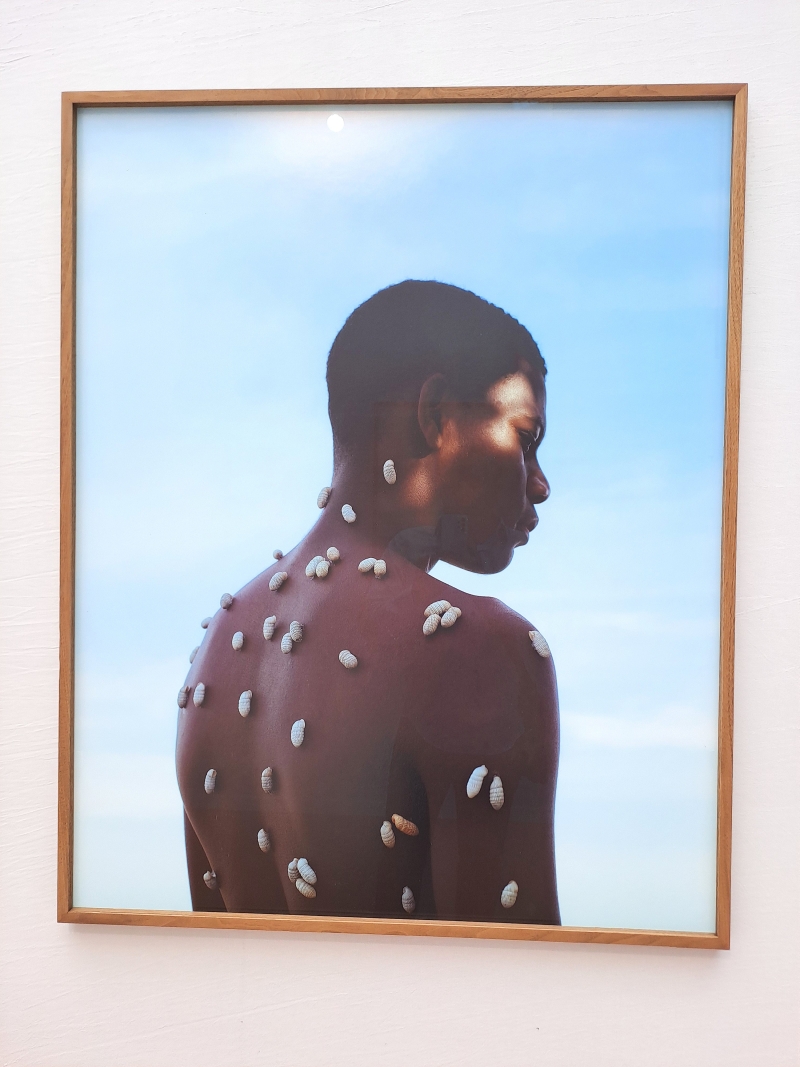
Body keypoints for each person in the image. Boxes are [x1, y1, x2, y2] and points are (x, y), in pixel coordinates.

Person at [176, 280, 560, 924]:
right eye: (525, 438)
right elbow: (515, 971)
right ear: (434, 414)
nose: (541, 485)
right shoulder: (478, 650)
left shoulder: (218, 653)